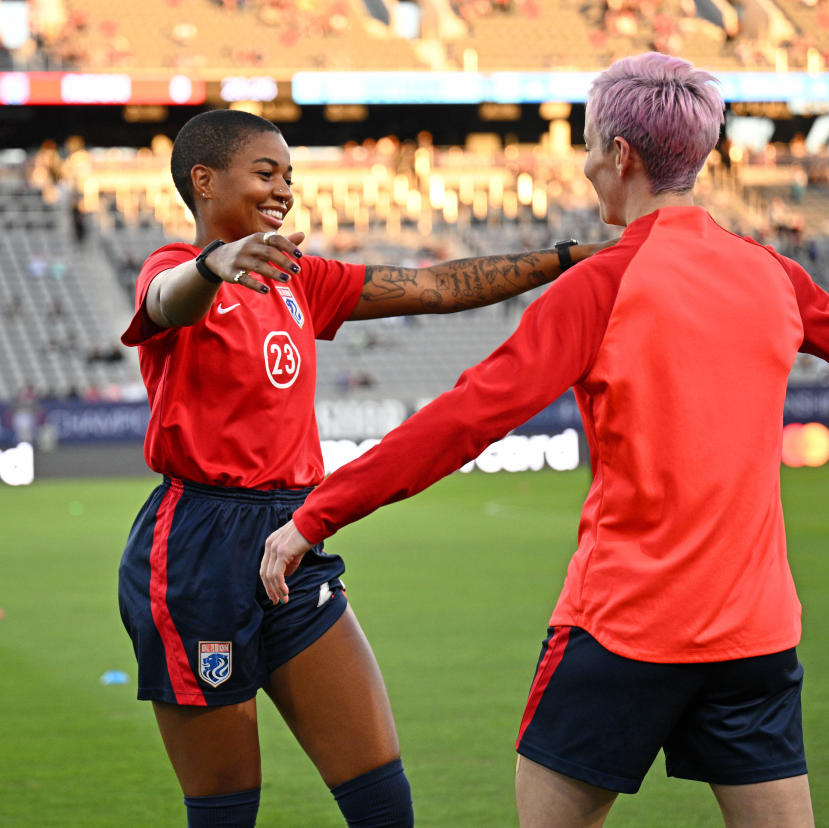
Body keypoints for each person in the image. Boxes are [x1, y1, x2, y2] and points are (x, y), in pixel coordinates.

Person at [261, 53, 829, 828]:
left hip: (625, 627)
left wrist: (316, 515)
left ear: (621, 155)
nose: (583, 168)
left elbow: (465, 418)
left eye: (586, 147)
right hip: (755, 632)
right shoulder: (771, 273)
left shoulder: (603, 285)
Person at [117, 108, 610, 828]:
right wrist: (211, 265)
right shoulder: (170, 270)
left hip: (293, 534)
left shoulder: (299, 280)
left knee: (382, 800)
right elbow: (168, 302)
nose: (284, 188)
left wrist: (566, 260)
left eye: (289, 175)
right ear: (204, 180)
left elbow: (436, 288)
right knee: (225, 812)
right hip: (196, 550)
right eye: (266, 172)